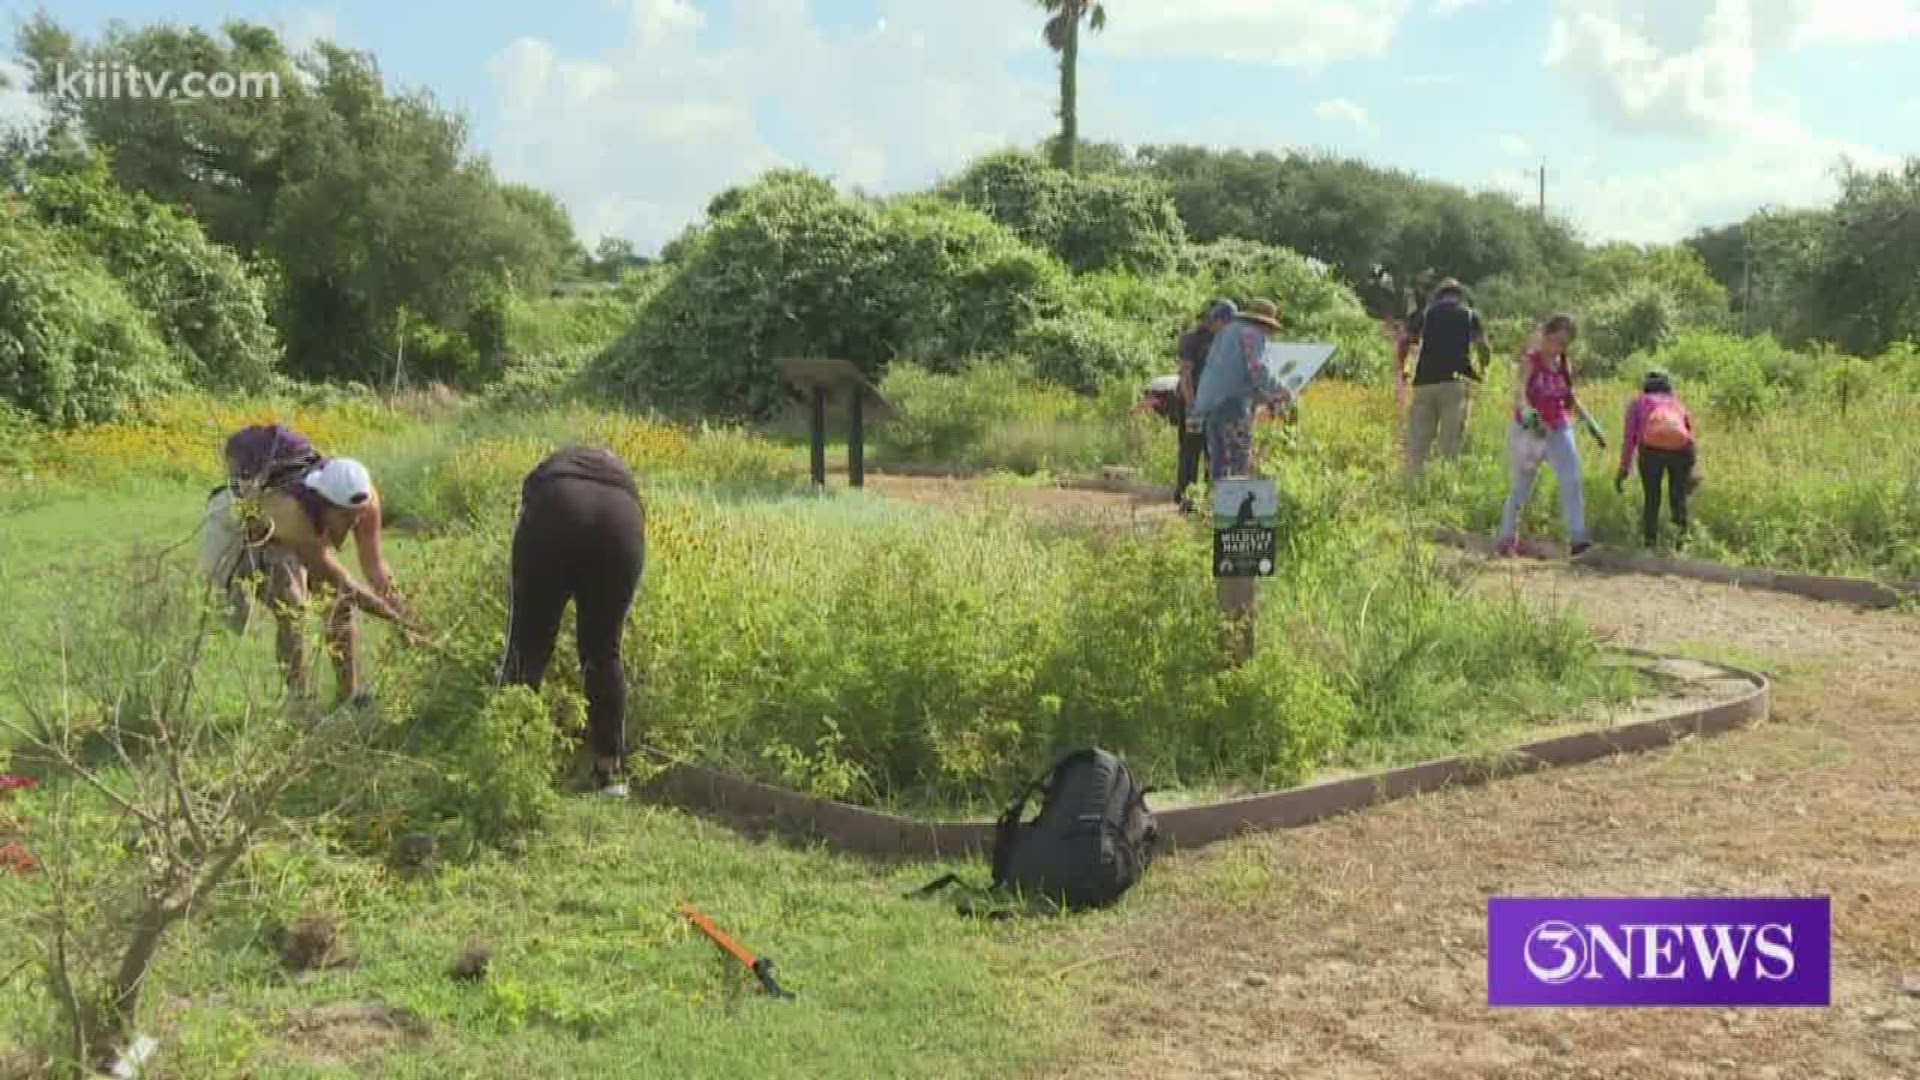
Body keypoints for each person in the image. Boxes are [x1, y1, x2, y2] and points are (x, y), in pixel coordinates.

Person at [497, 446, 646, 798]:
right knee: (603, 649)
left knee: (528, 646)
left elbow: (529, 514)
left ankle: (510, 760)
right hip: (622, 520)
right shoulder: (621, 478)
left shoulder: (546, 477)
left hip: (555, 508)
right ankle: (610, 774)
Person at [1496, 315, 1591, 559]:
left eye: (1565, 343)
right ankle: (1507, 538)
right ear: (1546, 336)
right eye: (1557, 340)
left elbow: (1569, 398)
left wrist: (1589, 421)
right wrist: (1530, 416)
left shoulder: (1562, 365)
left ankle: (1578, 539)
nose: (1559, 347)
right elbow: (1519, 393)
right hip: (1530, 431)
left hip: (1559, 428)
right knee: (1522, 485)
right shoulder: (1531, 361)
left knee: (1572, 480)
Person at [1397, 278, 1491, 479]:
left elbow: (1404, 340)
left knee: (1418, 441)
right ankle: (1445, 486)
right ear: (1460, 296)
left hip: (1424, 382)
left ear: (1439, 295)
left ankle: (1411, 486)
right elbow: (1483, 347)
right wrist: (1483, 370)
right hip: (1455, 384)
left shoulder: (1425, 314)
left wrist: (1403, 367)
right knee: (1450, 443)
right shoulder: (1469, 315)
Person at [1191, 298, 1291, 481]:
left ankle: (1215, 506)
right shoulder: (1252, 334)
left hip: (1210, 404)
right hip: (1231, 406)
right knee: (1237, 463)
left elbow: (1234, 374)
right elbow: (1257, 369)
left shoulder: (1227, 332)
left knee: (1219, 463)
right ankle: (1231, 507)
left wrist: (1266, 397)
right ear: (1265, 324)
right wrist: (1281, 390)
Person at [1616, 369, 1699, 549]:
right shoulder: (1677, 404)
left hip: (1651, 452)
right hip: (1682, 451)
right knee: (1678, 499)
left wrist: (1623, 469)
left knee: (1652, 498)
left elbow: (1629, 438)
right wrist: (1693, 470)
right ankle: (1681, 544)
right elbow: (1689, 435)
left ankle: (1650, 545)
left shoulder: (1639, 402)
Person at [1173, 299, 1236, 509]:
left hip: (1217, 408)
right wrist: (1192, 406)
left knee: (1215, 453)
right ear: (1214, 320)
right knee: (1191, 451)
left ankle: (1211, 501)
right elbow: (1185, 375)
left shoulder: (1227, 341)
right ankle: (1185, 499)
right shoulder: (1192, 339)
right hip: (1194, 403)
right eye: (1226, 323)